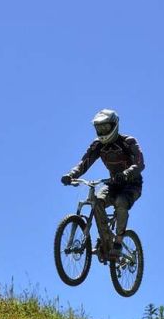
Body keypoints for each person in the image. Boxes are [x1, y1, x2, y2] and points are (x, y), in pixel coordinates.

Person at [60, 109, 145, 259]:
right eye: (99, 128)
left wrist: (126, 173)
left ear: (115, 125)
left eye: (105, 127)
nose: (102, 131)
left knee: (121, 202)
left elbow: (140, 163)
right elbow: (84, 163)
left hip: (132, 184)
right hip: (113, 184)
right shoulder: (98, 145)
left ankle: (118, 242)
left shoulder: (128, 141)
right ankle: (105, 241)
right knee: (97, 201)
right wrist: (71, 174)